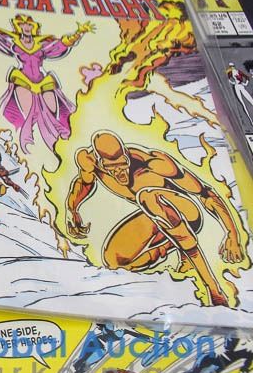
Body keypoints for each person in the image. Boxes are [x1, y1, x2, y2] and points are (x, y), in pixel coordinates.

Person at [66, 130, 245, 307]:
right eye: (111, 168)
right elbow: (84, 184)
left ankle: (214, 289)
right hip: (154, 218)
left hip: (186, 212)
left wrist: (232, 234)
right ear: (99, 162)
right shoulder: (88, 161)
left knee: (148, 197)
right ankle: (170, 249)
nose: (120, 173)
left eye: (123, 164)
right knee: (114, 260)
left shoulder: (154, 163)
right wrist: (72, 209)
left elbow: (206, 193)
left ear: (127, 155)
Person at [0, 10, 93, 151]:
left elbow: (58, 46)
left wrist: (79, 33)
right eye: (23, 25)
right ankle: (26, 140)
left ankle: (64, 136)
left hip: (42, 80)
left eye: (29, 25)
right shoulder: (14, 43)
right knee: (28, 113)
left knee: (53, 111)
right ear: (18, 27)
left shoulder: (41, 44)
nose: (26, 27)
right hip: (22, 79)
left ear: (33, 27)